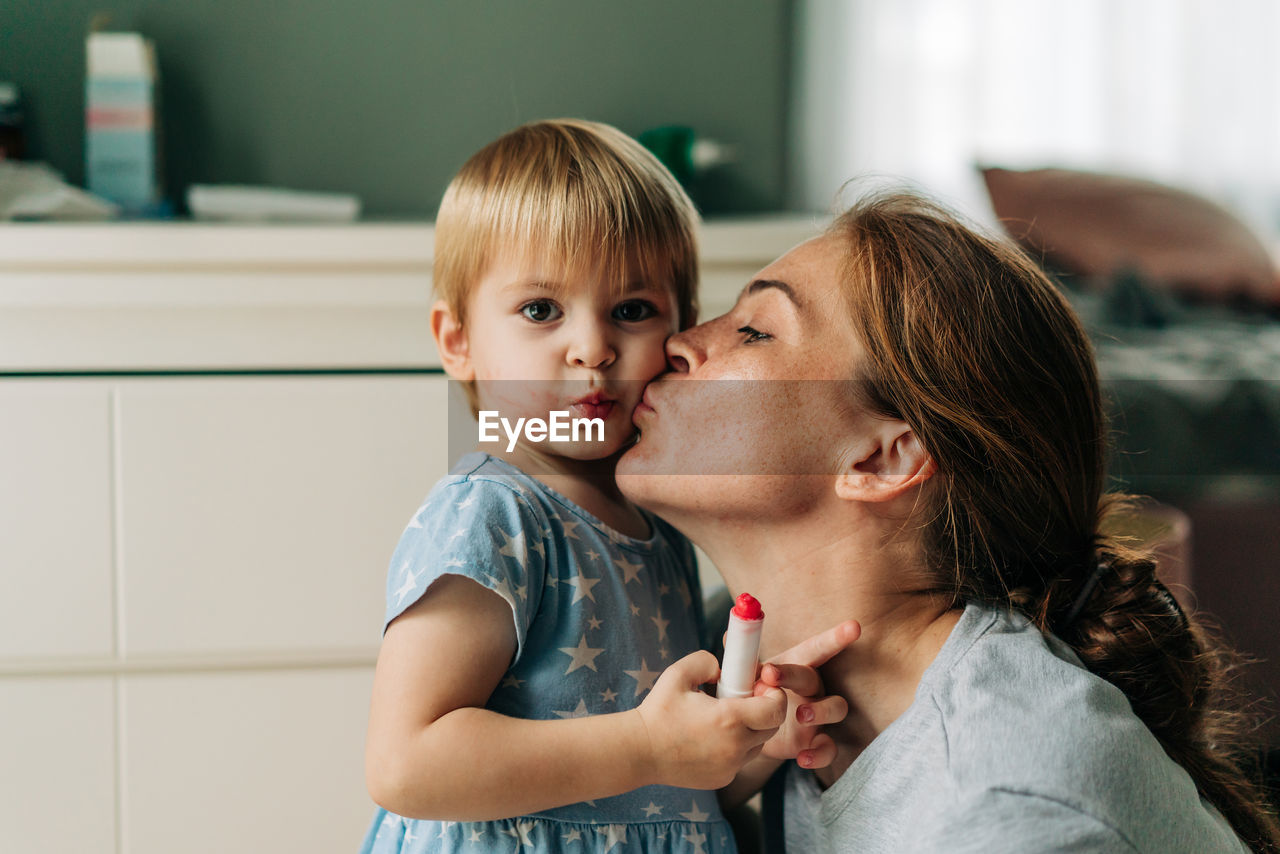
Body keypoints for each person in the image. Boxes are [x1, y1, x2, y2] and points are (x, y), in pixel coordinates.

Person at [617, 189, 1280, 853]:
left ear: (883, 457)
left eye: (755, 330)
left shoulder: (1006, 807)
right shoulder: (729, 661)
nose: (678, 344)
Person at [359, 119, 844, 854]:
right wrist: (646, 745)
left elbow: (673, 788)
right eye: (540, 310)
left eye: (631, 311)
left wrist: (751, 744)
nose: (592, 347)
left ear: (679, 331)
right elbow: (407, 764)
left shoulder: (662, 525)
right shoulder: (494, 514)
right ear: (456, 341)